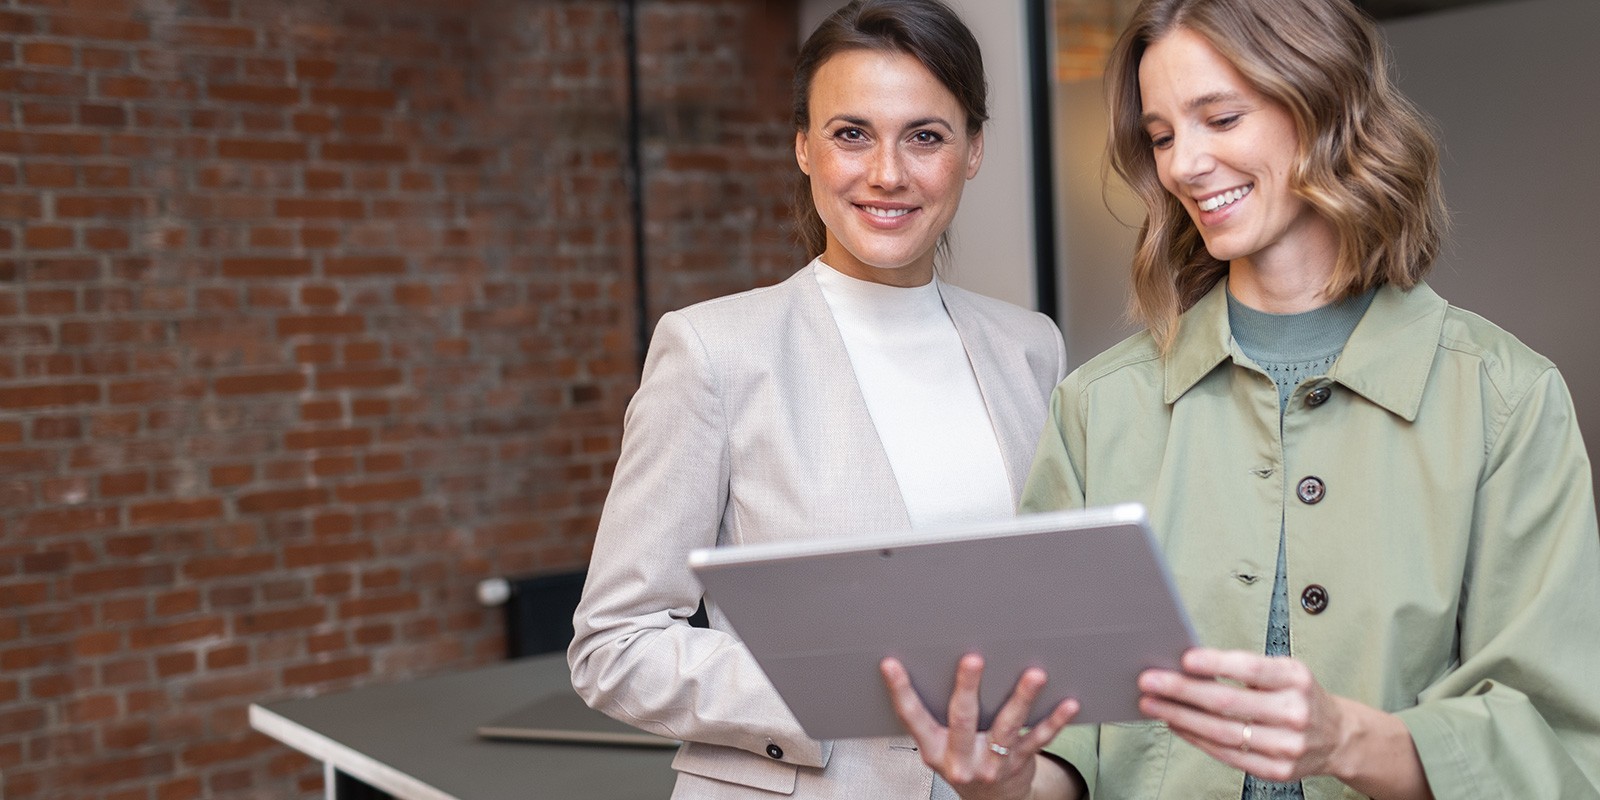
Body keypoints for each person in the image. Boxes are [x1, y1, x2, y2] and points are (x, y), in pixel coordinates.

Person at [881, 0, 1600, 797]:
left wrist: (1348, 739)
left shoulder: (1507, 398)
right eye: (1161, 136)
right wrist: (1003, 782)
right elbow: (1065, 745)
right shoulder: (1097, 408)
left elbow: (1559, 745)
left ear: (1323, 104)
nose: (1183, 163)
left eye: (1219, 118)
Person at [567, 0, 1068, 797]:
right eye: (851, 133)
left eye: (926, 136)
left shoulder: (1031, 348)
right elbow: (614, 645)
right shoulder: (713, 352)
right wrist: (844, 689)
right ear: (804, 146)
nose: (888, 173)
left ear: (973, 150)